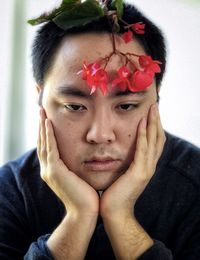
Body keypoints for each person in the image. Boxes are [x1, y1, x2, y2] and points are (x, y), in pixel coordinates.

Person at [0, 0, 200, 259]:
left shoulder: (194, 183)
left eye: (126, 106)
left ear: (156, 99)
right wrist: (78, 216)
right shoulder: (11, 190)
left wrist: (120, 215)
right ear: (40, 98)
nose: (100, 134)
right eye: (74, 106)